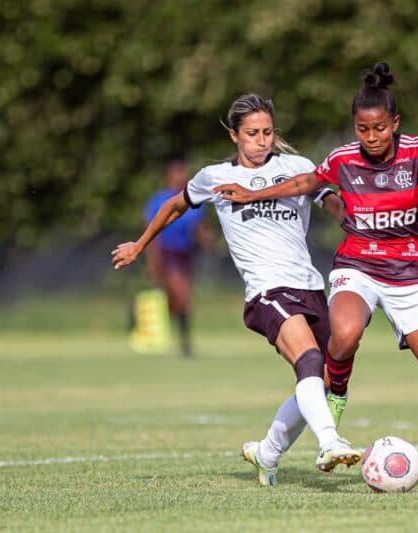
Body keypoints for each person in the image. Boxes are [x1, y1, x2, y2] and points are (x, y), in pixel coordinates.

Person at [213, 62, 418, 491]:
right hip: (357, 266)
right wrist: (253, 192)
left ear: (395, 124)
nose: (372, 138)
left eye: (379, 128)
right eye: (363, 129)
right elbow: (304, 181)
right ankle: (336, 394)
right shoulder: (343, 158)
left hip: (412, 276)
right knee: (343, 332)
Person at [112, 94, 361, 485]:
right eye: (251, 133)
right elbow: (175, 205)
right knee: (309, 360)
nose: (261, 140)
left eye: (266, 132)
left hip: (311, 286)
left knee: (326, 378)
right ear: (234, 135)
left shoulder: (296, 167)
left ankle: (267, 453)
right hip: (267, 291)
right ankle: (329, 442)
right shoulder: (213, 177)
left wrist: (350, 218)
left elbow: (328, 198)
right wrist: (140, 244)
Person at [142, 159, 212, 357]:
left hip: (185, 254)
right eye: (177, 173)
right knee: (183, 296)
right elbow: (150, 232)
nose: (182, 177)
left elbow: (199, 227)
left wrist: (205, 238)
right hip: (167, 254)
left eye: (184, 173)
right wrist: (152, 262)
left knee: (176, 300)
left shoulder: (192, 199)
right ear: (169, 176)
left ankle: (171, 337)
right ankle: (185, 343)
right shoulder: (158, 200)